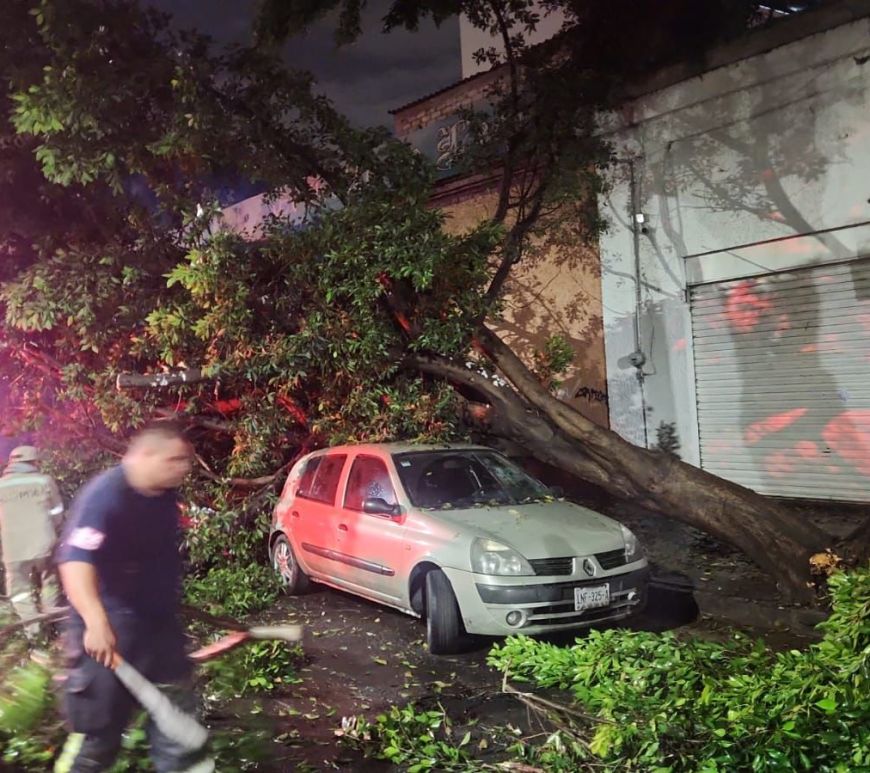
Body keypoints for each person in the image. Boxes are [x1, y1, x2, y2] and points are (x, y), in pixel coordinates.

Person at [54, 423, 213, 773]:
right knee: (97, 743)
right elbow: (76, 561)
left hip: (160, 635)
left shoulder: (165, 497)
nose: (183, 468)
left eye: (185, 461)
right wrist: (95, 622)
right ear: (144, 455)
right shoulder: (106, 495)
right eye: (174, 460)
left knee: (181, 738)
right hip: (110, 637)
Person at [0, 445, 64, 641]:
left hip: (14, 549)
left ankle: (33, 630)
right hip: (44, 543)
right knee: (50, 578)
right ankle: (52, 617)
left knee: (19, 591)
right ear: (34, 461)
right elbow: (57, 513)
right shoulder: (43, 481)